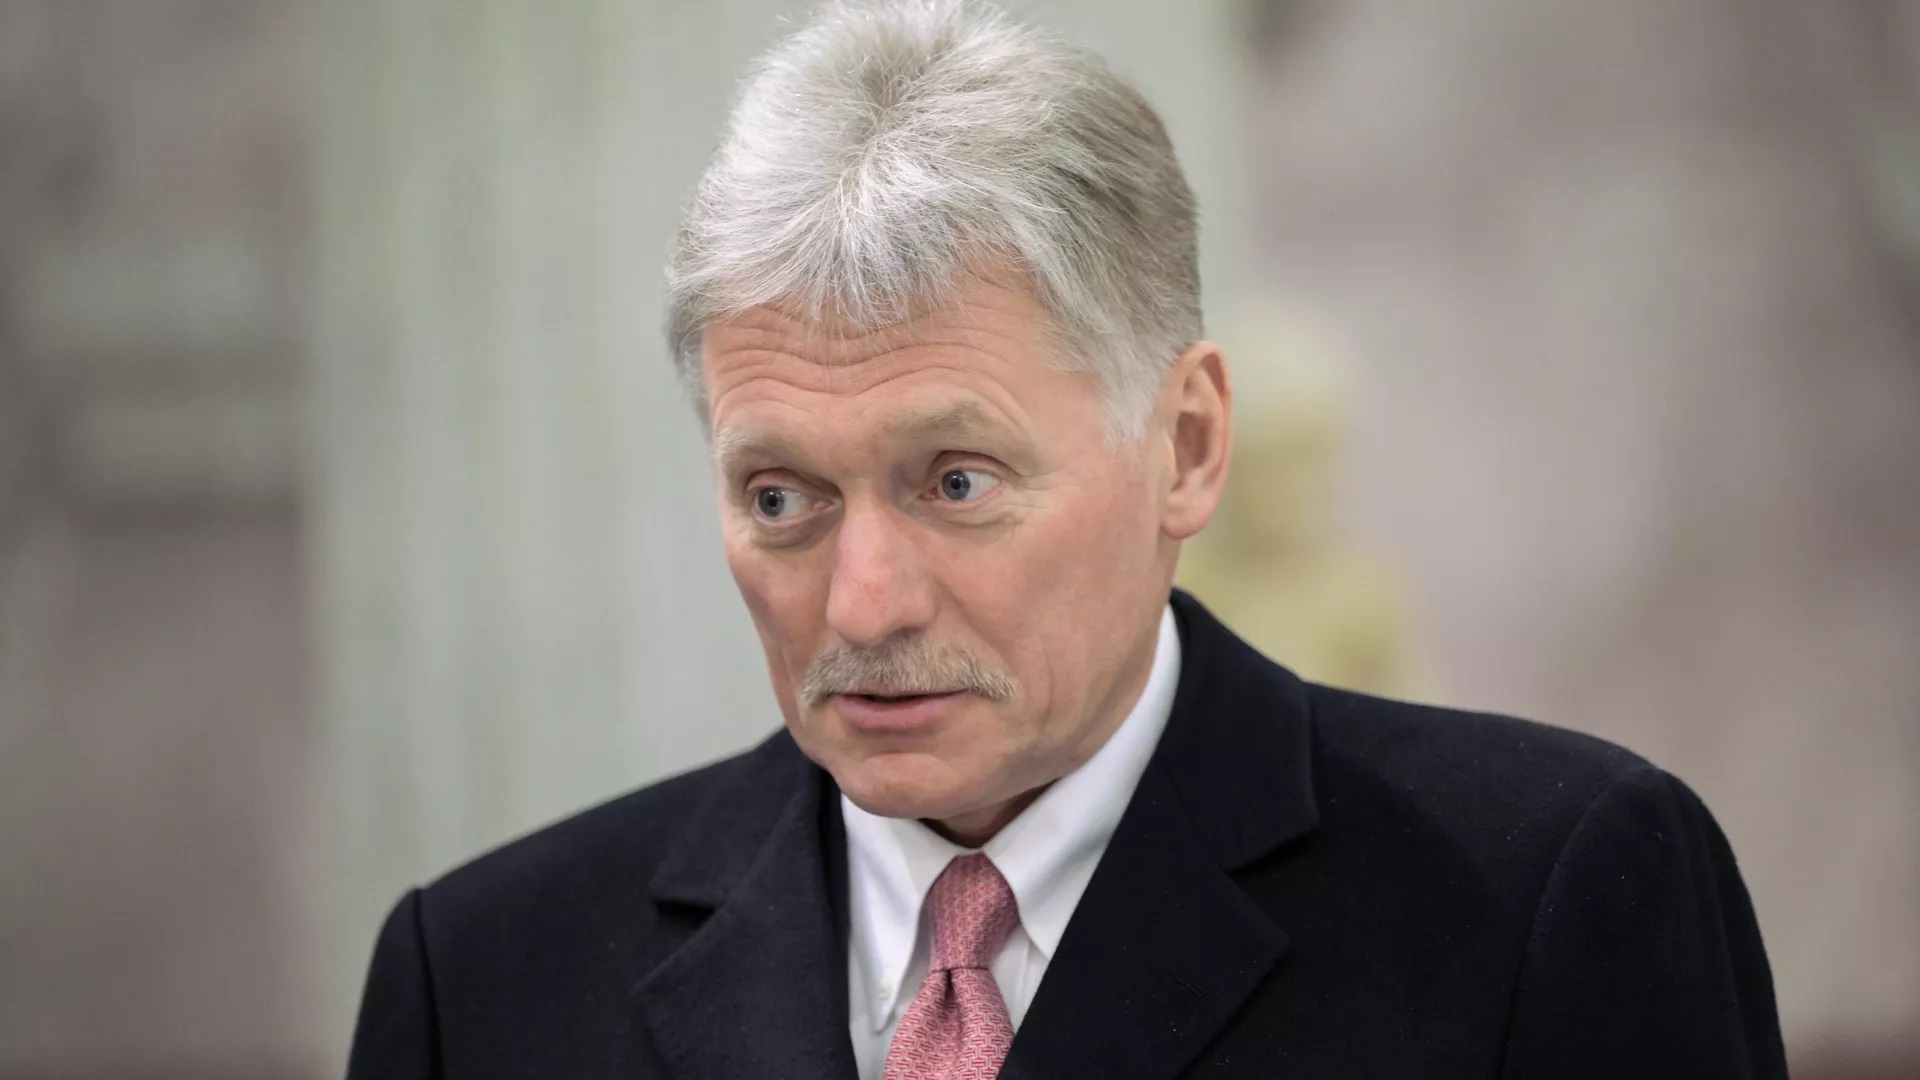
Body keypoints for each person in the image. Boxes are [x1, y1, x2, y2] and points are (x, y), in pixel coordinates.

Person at [344, 2, 1786, 1077]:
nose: (863, 604)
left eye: (956, 481)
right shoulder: (480, 986)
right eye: (782, 497)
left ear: (1188, 446)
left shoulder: (1548, 899)